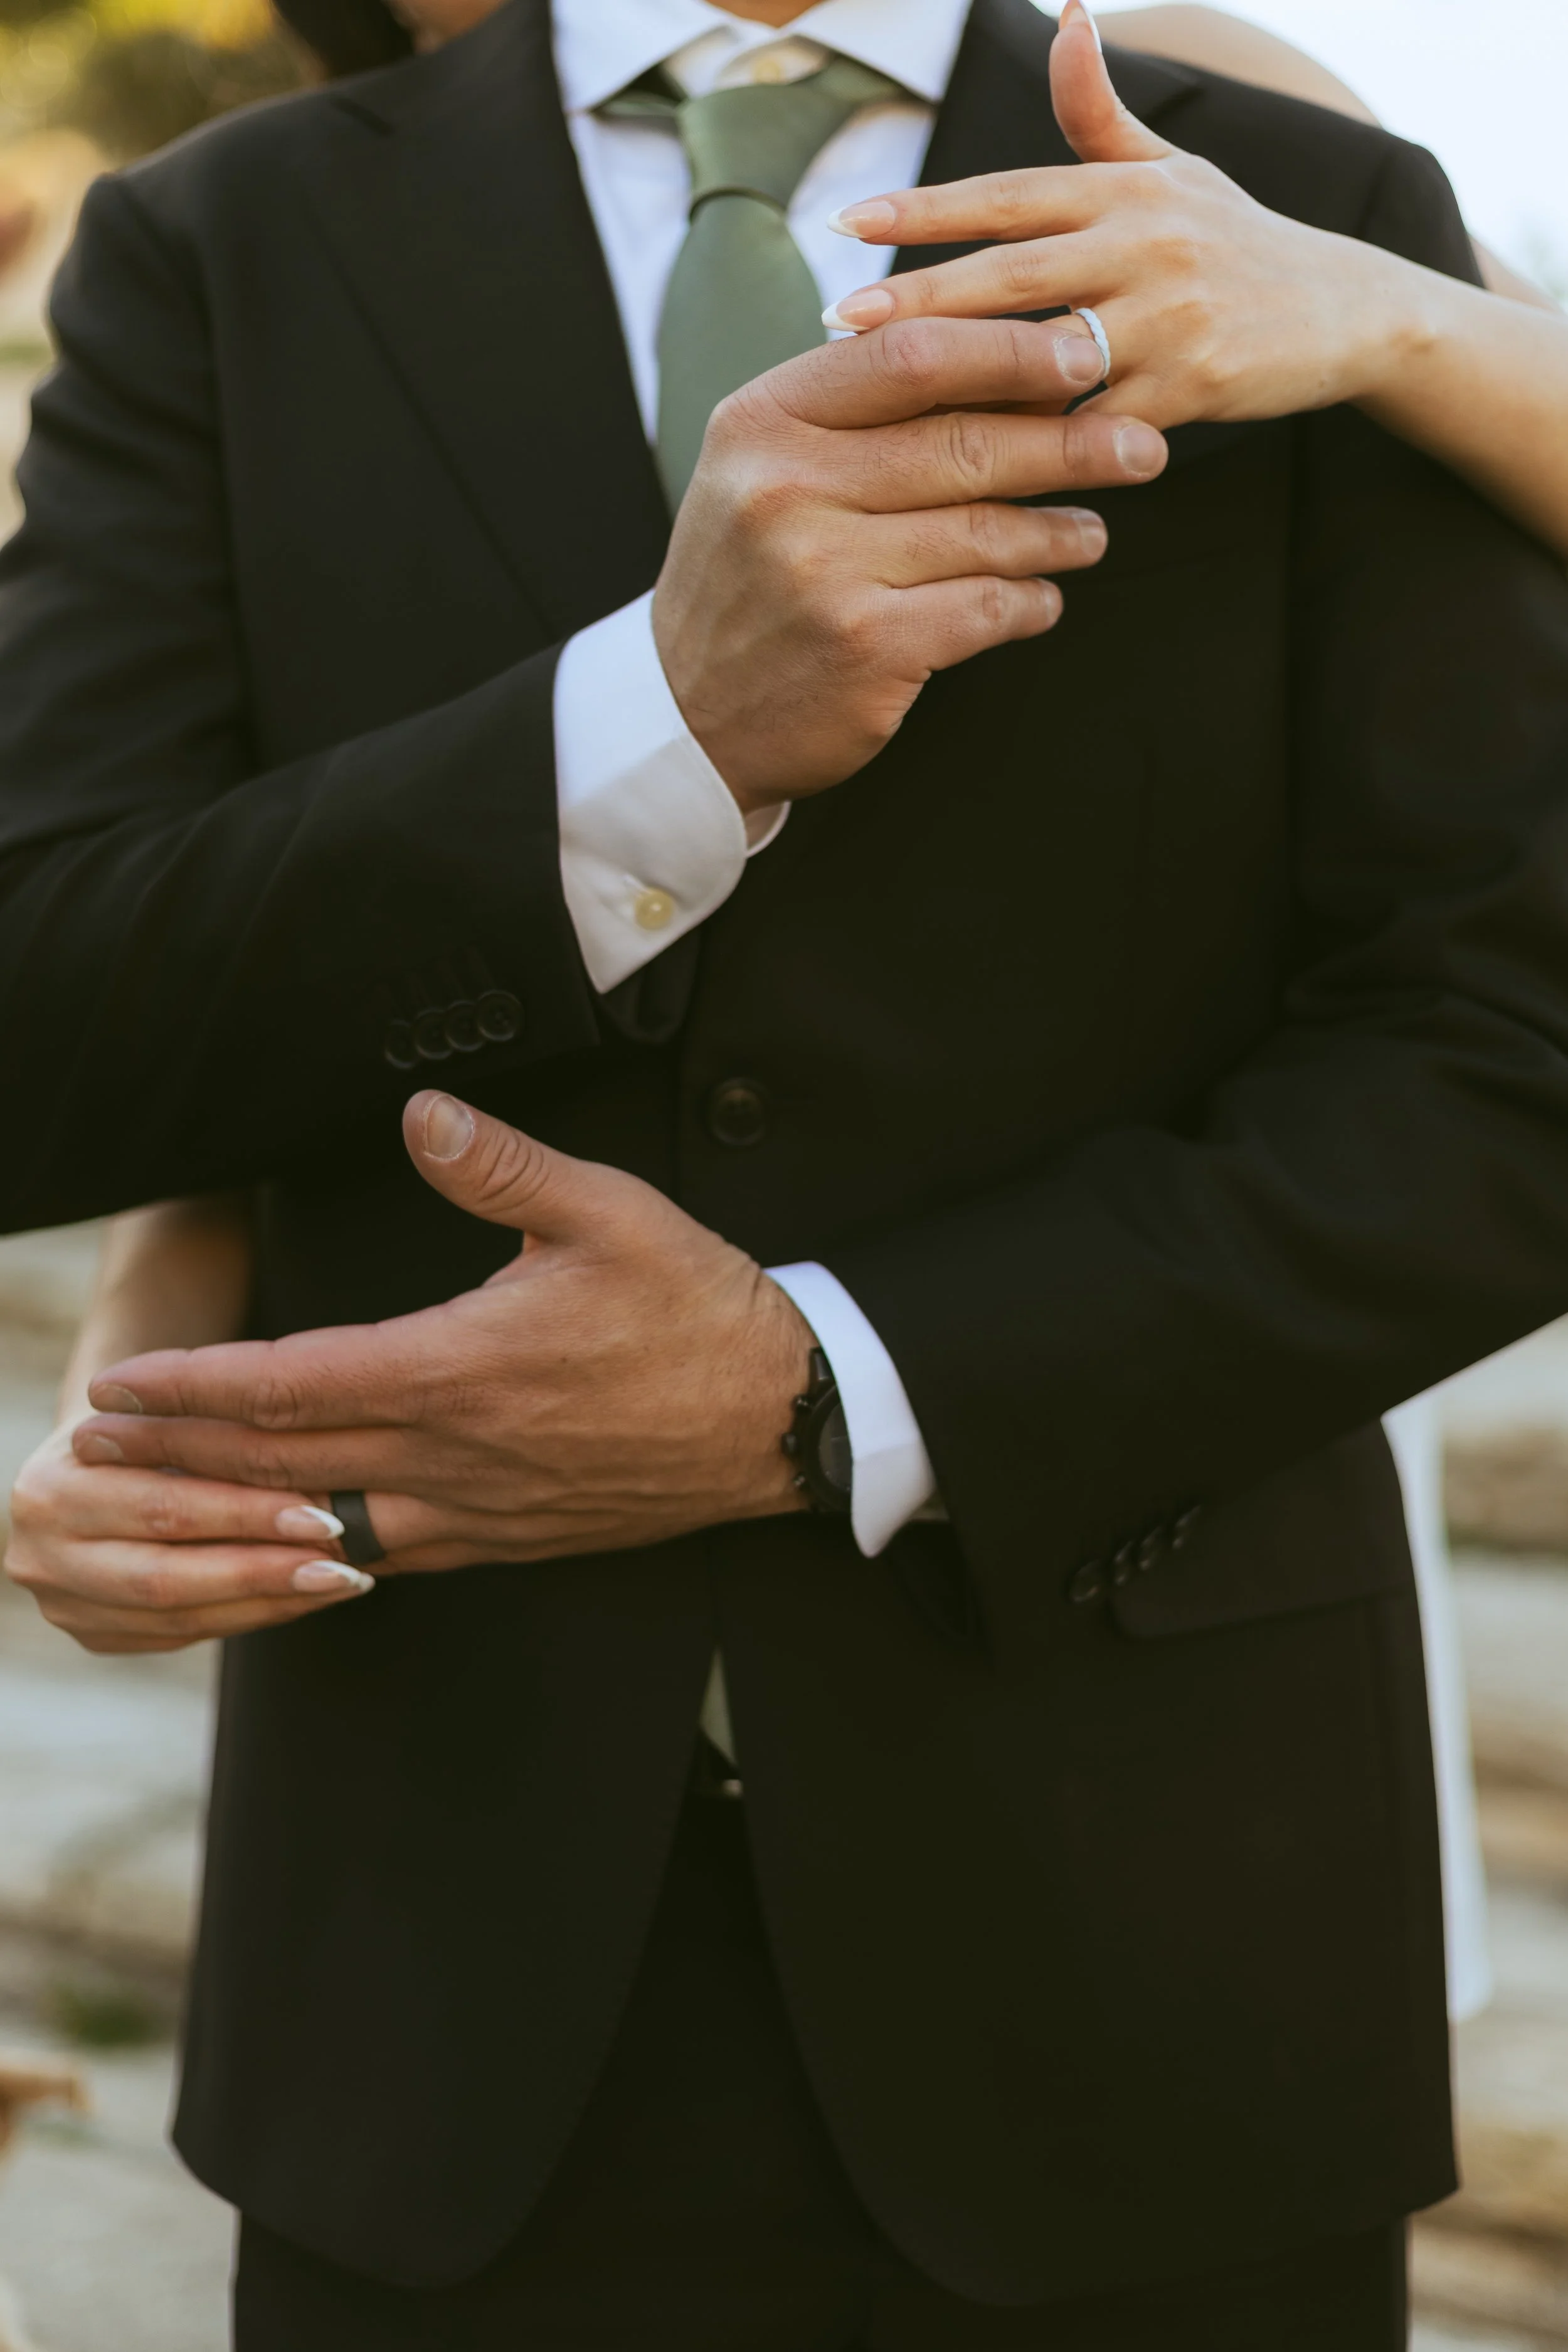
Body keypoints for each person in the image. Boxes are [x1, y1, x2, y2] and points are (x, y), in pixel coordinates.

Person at [4, 0, 1568, 2341]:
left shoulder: (1286, 201)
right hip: (431, 1980)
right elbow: (55, 1005)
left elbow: (1505, 1047)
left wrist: (832, 1384)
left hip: (1154, 1938)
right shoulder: (212, 244)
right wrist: (655, 726)